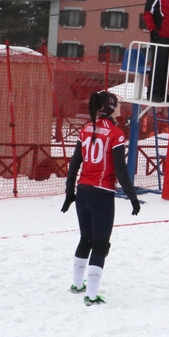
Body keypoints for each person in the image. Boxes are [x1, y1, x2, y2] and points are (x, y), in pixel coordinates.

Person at [61, 91, 141, 306]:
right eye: (118, 105)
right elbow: (121, 170)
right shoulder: (115, 134)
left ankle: (77, 285)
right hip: (102, 194)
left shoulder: (85, 129)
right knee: (100, 244)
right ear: (110, 107)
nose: (121, 108)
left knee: (85, 239)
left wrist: (70, 192)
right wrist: (132, 197)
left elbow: (75, 163)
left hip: (83, 192)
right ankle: (92, 295)